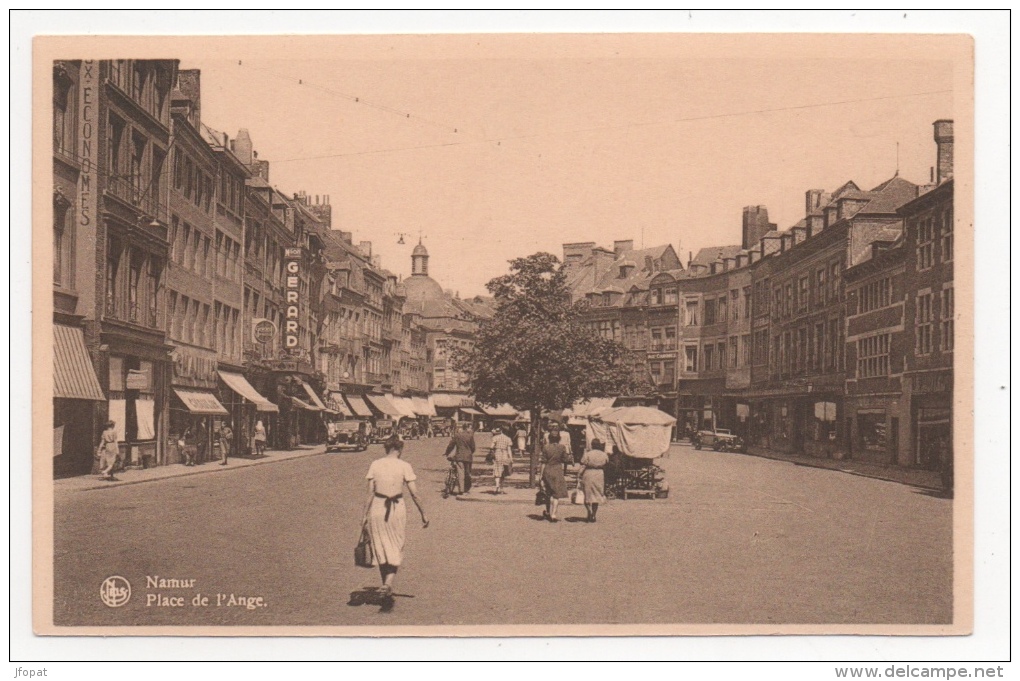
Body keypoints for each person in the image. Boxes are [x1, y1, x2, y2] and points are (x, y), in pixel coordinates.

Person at [362, 436, 428, 610]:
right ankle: (388, 583)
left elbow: (369, 493)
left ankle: (386, 584)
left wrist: (364, 515)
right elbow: (414, 494)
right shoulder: (404, 466)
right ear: (400, 449)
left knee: (381, 546)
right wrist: (423, 513)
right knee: (396, 545)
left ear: (386, 448)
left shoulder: (375, 464)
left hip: (377, 507)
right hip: (397, 508)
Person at [538, 431, 569, 521]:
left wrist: (540, 475)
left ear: (549, 439)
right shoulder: (562, 447)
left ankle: (547, 511)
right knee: (556, 494)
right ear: (559, 438)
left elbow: (543, 462)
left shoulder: (545, 447)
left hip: (547, 470)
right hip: (558, 470)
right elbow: (565, 459)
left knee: (548, 492)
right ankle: (554, 514)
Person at [578, 438, 610, 523]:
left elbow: (583, 465)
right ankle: (594, 514)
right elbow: (607, 463)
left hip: (588, 474)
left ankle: (589, 511)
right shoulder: (604, 454)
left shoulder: (587, 454)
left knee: (587, 495)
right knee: (596, 495)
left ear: (592, 445)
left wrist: (579, 474)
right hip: (599, 474)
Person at [444, 421, 476, 495]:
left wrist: (447, 452)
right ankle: (466, 488)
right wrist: (470, 453)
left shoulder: (457, 435)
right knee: (467, 473)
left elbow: (451, 445)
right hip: (468, 457)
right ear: (466, 428)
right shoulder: (470, 436)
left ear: (461, 428)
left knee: (461, 473)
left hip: (459, 457)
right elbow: (473, 447)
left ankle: (461, 490)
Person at [489, 425, 514, 494]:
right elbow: (509, 450)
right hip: (505, 455)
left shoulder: (495, 437)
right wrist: (511, 459)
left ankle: (497, 486)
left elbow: (491, 446)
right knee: (503, 471)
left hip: (497, 454)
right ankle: (502, 487)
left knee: (497, 470)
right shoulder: (508, 438)